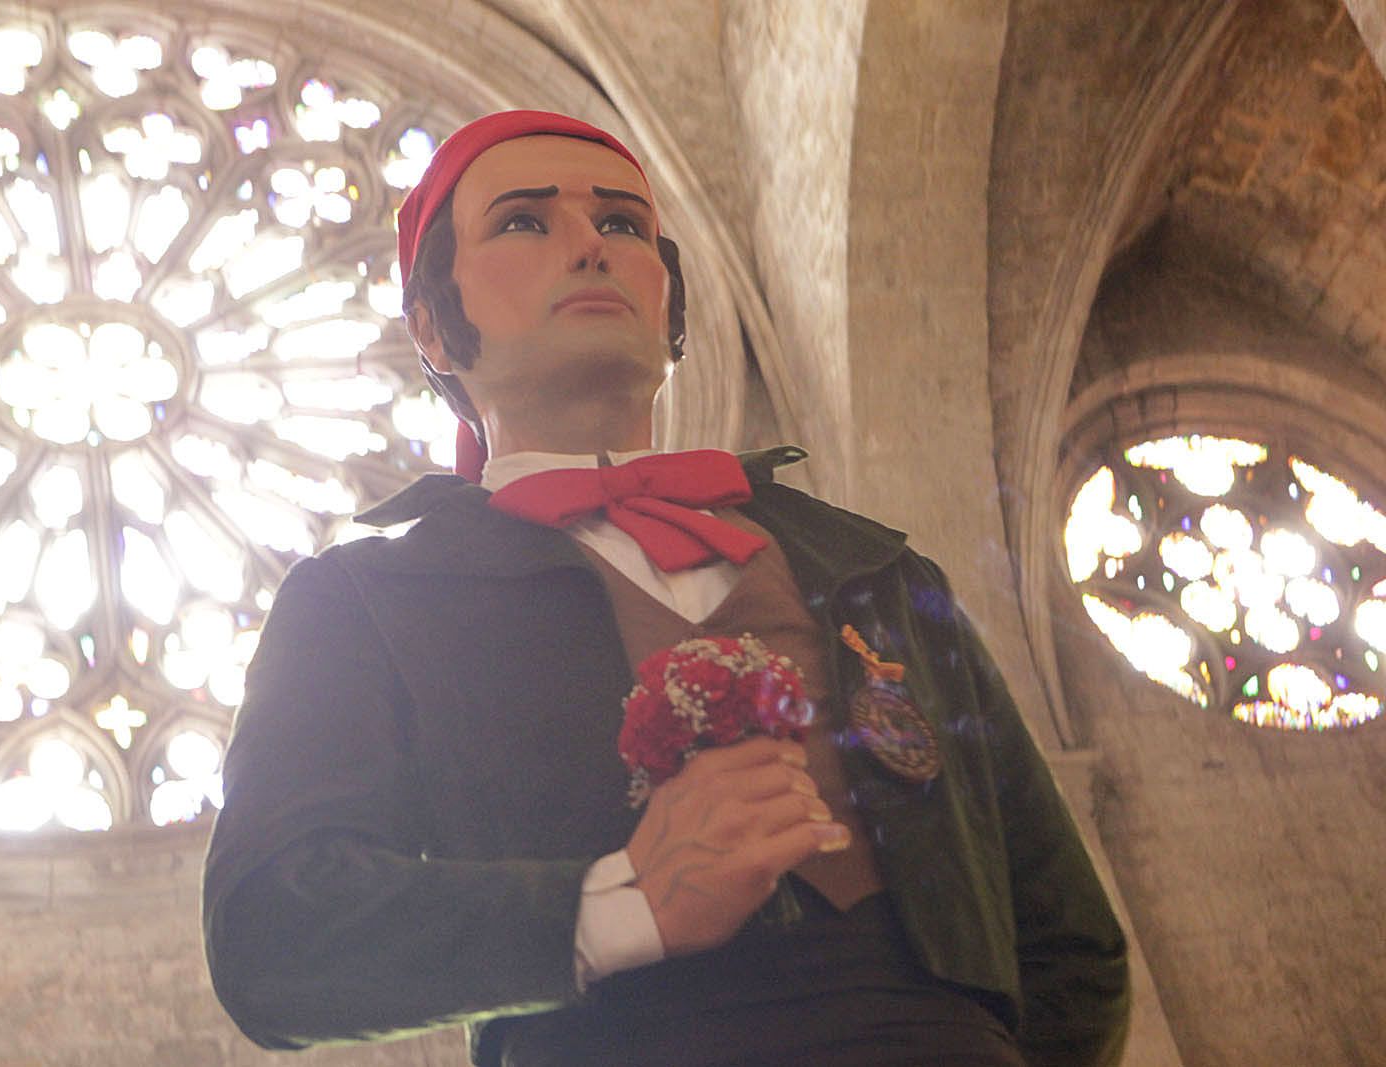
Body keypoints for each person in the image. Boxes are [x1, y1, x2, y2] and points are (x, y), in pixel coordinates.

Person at [201, 110, 1130, 1067]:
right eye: (524, 221)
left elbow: (1073, 947)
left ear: (671, 304)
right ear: (432, 326)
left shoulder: (880, 571)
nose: (590, 246)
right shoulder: (367, 597)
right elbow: (271, 933)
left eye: (624, 224)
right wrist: (618, 904)